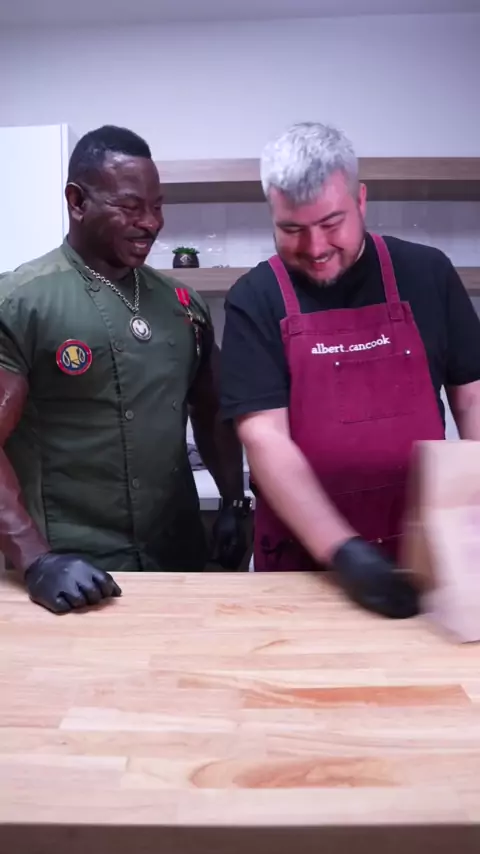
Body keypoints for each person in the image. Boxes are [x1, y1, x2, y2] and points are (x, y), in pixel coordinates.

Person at [220, 121, 480, 619]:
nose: (315, 247)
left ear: (360, 201)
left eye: (331, 223)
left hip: (425, 552)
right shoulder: (255, 299)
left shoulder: (427, 274)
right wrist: (341, 549)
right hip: (303, 566)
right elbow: (263, 437)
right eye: (292, 229)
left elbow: (471, 396)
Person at [0, 125, 249, 615]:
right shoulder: (21, 302)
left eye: (157, 206)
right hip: (66, 576)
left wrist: (233, 501)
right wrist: (36, 560)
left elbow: (212, 411)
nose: (151, 223)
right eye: (131, 207)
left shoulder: (184, 306)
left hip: (176, 563)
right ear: (77, 201)